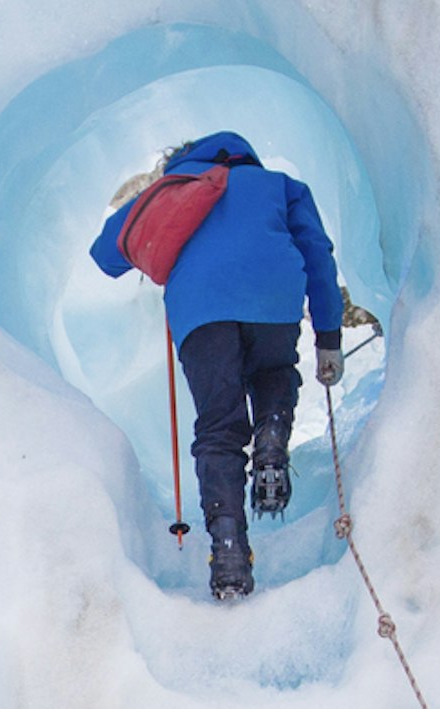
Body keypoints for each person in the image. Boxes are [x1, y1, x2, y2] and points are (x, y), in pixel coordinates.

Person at [89, 132, 344, 600]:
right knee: (275, 372)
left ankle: (228, 549)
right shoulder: (279, 186)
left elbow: (106, 253)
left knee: (218, 426)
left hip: (201, 311)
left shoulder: (174, 189)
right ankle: (270, 434)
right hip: (273, 294)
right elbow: (318, 256)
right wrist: (328, 336)